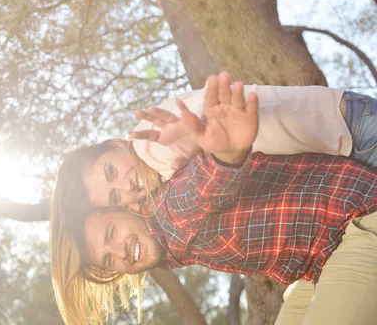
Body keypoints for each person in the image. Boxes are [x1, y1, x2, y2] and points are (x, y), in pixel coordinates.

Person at [50, 73, 377, 324]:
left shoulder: (172, 212)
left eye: (111, 235)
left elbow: (204, 186)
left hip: (359, 213)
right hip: (323, 254)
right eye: (109, 260)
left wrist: (227, 153)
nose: (119, 251)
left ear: (124, 212)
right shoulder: (167, 232)